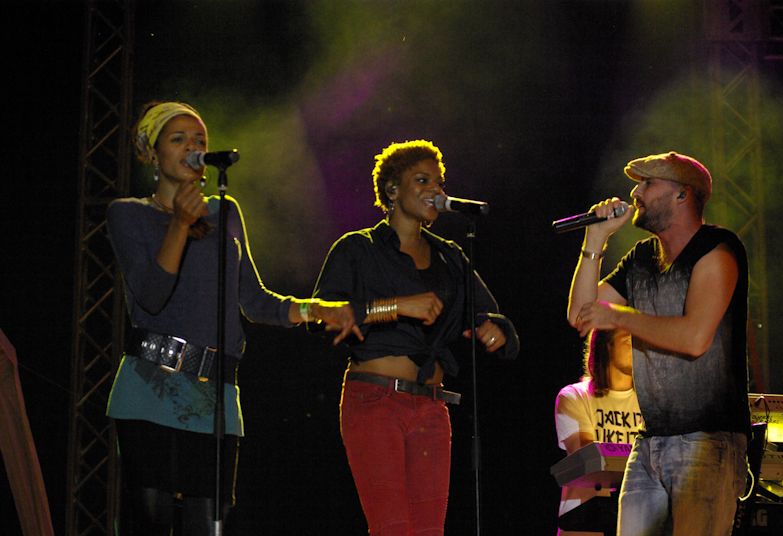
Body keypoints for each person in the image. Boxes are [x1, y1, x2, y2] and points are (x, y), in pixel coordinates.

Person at [106, 101, 362, 535]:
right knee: (150, 521)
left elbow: (255, 301)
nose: (193, 147)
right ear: (151, 152)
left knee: (211, 523)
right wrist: (180, 224)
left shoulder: (224, 212)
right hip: (151, 386)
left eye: (200, 140)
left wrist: (315, 309)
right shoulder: (128, 213)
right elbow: (151, 295)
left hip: (215, 395)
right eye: (178, 139)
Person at [312, 140, 519, 535]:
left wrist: (494, 329)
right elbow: (322, 316)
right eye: (422, 181)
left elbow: (492, 317)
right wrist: (396, 306)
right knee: (392, 528)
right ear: (392, 190)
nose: (436, 190)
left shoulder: (450, 256)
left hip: (431, 407)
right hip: (375, 401)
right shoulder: (358, 249)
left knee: (428, 531)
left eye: (439, 183)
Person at [566, 151, 750, 535]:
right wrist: (595, 238)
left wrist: (619, 317)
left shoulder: (718, 249)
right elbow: (580, 314)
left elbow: (695, 338)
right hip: (649, 442)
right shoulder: (641, 258)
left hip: (707, 441)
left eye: (647, 184)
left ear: (682, 194)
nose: (635, 193)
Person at [554, 328, 641, 536]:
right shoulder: (574, 396)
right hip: (586, 525)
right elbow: (589, 459)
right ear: (606, 346)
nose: (638, 347)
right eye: (628, 340)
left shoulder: (650, 402)